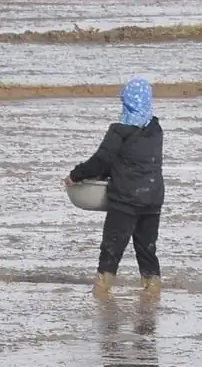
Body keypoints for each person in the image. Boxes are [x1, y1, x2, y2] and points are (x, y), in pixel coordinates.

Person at [66, 76, 165, 298]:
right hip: (153, 198)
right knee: (147, 249)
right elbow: (133, 160)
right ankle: (152, 290)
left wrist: (75, 175)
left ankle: (102, 291)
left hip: (126, 199)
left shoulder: (119, 131)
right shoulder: (156, 130)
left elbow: (101, 160)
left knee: (111, 249)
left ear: (126, 102)